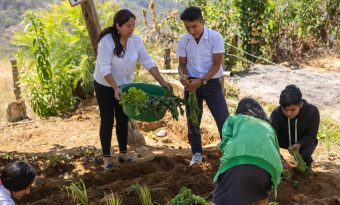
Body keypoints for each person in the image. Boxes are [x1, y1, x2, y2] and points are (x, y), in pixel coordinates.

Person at [93, 9, 172, 170]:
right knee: (107, 120)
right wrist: (115, 87)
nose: (132, 29)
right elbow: (104, 68)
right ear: (118, 26)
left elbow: (148, 62)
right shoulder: (107, 42)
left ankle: (123, 153)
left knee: (123, 118)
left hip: (125, 86)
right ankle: (107, 157)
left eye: (133, 25)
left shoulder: (135, 41)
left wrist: (163, 81)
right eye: (128, 26)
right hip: (105, 85)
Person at [176, 6, 229, 165]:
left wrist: (202, 81)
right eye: (187, 27)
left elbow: (216, 65)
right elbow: (181, 65)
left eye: (194, 26)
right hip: (192, 85)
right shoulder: (184, 40)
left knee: (223, 120)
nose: (191, 31)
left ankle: (228, 153)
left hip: (211, 83)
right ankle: (197, 154)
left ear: (202, 21)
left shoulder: (215, 38)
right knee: (193, 122)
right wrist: (183, 77)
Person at [211, 98, 283, 205]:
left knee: (219, 201)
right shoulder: (268, 127)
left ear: (239, 111)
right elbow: (276, 153)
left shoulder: (234, 119)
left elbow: (225, 144)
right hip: (267, 170)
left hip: (237, 165)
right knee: (261, 196)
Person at [270, 84, 319, 173]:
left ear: (300, 105)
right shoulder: (276, 114)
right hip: (283, 140)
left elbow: (311, 134)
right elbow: (269, 136)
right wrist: (281, 160)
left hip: (302, 139)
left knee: (305, 153)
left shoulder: (312, 112)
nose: (288, 113)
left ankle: (307, 164)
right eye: (285, 109)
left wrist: (299, 144)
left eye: (292, 110)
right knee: (270, 142)